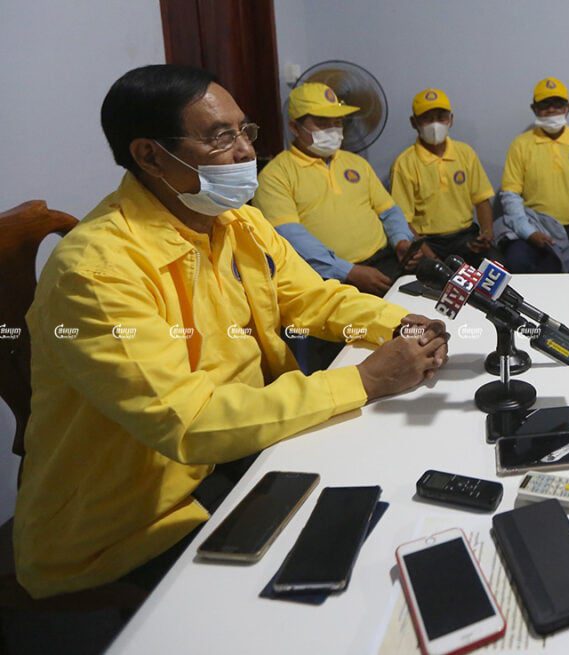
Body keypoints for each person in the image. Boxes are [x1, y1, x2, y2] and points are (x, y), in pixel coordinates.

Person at [14, 65, 449, 602]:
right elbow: (190, 422)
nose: (246, 152)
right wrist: (365, 380)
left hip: (240, 452)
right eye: (220, 137)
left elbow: (311, 299)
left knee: (390, 501)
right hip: (144, 519)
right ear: (150, 155)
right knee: (332, 587)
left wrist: (399, 323)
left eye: (246, 131)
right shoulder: (97, 271)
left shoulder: (235, 220)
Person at [254, 82, 432, 297]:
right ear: (294, 127)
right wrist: (348, 271)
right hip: (328, 279)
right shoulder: (275, 176)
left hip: (387, 261)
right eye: (322, 122)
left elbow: (389, 210)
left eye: (337, 122)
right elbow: (290, 237)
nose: (332, 129)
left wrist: (401, 241)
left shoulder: (357, 163)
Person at [494, 77, 569, 274]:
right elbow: (511, 196)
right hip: (536, 225)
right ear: (534, 108)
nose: (552, 110)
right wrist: (530, 233)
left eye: (558, 105)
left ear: (568, 107)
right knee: (517, 260)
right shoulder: (521, 145)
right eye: (545, 105)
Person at [391, 88, 500, 267]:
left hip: (465, 236)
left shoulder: (465, 153)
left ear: (451, 119)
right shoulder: (404, 163)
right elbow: (403, 221)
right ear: (414, 122)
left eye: (441, 117)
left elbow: (482, 200)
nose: (435, 125)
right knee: (430, 281)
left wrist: (486, 234)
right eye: (427, 118)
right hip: (427, 242)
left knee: (496, 265)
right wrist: (432, 259)